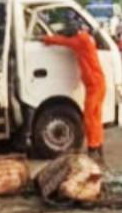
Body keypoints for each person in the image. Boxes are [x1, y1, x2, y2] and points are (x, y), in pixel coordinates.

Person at [43, 20, 107, 161]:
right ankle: (99, 147)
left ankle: (93, 147)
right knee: (96, 116)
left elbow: (62, 41)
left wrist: (46, 39)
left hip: (94, 85)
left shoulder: (80, 41)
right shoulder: (84, 38)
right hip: (97, 83)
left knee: (90, 117)